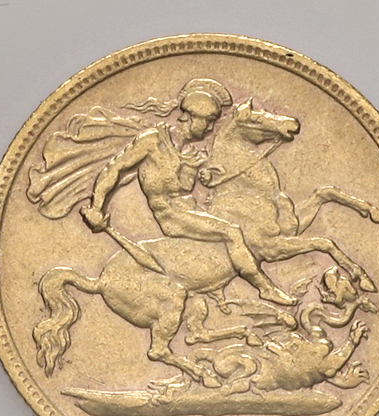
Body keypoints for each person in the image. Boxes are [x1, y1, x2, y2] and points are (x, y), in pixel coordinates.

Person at [80, 78, 295, 306]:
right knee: (232, 231)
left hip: (192, 210)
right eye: (208, 121)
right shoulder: (152, 141)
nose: (210, 128)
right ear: (190, 117)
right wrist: (96, 207)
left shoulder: (190, 152)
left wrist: (201, 173)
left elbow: (191, 185)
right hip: (171, 216)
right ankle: (265, 288)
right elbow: (114, 169)